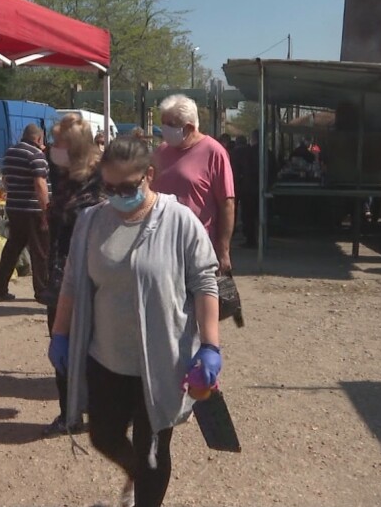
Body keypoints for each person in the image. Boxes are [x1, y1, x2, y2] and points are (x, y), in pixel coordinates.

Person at [48, 137, 221, 507]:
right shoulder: (91, 221)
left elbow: (205, 282)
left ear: (150, 176)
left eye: (129, 186)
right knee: (103, 436)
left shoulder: (180, 221)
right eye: (110, 187)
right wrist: (60, 334)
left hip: (162, 363)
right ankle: (135, 473)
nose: (118, 194)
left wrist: (210, 347)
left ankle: (145, 493)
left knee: (153, 451)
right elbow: (73, 282)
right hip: (107, 360)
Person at [41, 113, 104, 437]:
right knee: (60, 339)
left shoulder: (100, 178)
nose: (53, 148)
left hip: (91, 274)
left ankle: (99, 409)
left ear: (75, 146)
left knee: (95, 344)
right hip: (59, 274)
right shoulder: (62, 174)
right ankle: (69, 412)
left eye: (58, 142)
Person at [151, 94, 236, 273]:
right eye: (163, 123)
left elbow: (226, 204)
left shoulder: (214, 152)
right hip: (160, 243)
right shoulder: (160, 152)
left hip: (197, 246)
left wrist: (223, 250)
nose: (164, 129)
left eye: (170, 125)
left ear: (189, 127)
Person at [0, 123, 50, 302]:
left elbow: (6, 179)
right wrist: (46, 209)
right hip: (33, 209)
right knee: (40, 251)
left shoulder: (10, 152)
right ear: (39, 139)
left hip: (15, 207)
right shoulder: (36, 155)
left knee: (12, 248)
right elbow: (40, 184)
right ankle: (41, 292)